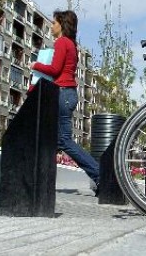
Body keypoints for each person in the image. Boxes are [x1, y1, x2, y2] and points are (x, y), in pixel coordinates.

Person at [30, 10, 100, 191]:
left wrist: (35, 65)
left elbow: (54, 69)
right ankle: (38, 179)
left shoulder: (62, 42)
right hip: (65, 94)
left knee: (63, 141)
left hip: (62, 94)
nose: (51, 26)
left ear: (62, 24)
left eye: (54, 23)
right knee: (50, 138)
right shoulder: (71, 45)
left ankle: (99, 173)